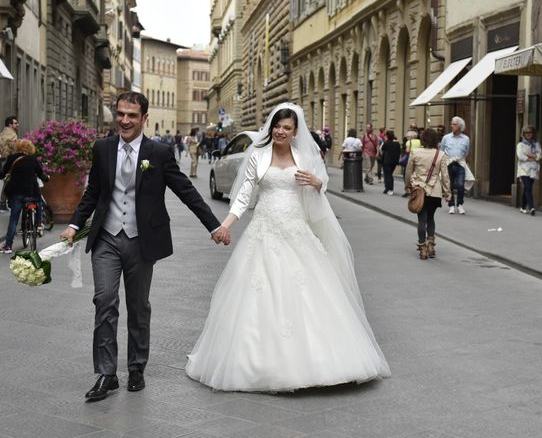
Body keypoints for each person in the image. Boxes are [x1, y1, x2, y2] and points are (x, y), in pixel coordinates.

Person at [186, 103, 390, 392]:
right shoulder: (259, 155)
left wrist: (318, 184)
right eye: (277, 126)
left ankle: (322, 363)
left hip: (296, 230)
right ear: (271, 128)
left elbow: (320, 190)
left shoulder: (305, 156)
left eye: (287, 127)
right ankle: (261, 363)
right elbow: (244, 196)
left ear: (295, 132)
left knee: (310, 293)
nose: (280, 131)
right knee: (257, 294)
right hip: (264, 231)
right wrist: (225, 225)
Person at [59, 91, 228, 402]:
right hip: (106, 238)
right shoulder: (103, 148)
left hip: (141, 240)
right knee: (104, 300)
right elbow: (94, 191)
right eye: (121, 114)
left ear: (144, 119)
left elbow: (186, 190)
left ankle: (136, 366)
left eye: (132, 115)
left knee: (138, 306)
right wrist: (73, 224)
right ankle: (107, 374)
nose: (124, 120)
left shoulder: (159, 153)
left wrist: (214, 225)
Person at [405, 129, 451, 260]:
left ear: (423, 139)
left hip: (420, 190)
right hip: (435, 192)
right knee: (431, 218)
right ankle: (431, 245)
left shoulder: (415, 152)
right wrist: (447, 192)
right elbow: (445, 176)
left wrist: (407, 186)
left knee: (421, 220)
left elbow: (408, 171)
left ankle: (423, 248)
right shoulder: (440, 154)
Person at [0, 139, 49, 253]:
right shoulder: (33, 160)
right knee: (38, 202)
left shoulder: (12, 158)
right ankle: (39, 224)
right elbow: (41, 174)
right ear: (30, 148)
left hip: (16, 192)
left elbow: (2, 174)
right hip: (31, 192)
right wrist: (47, 178)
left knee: (13, 219)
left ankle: (8, 246)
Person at [440, 116, 470, 215]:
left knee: (461, 185)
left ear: (460, 126)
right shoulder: (446, 138)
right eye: (452, 124)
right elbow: (441, 151)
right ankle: (451, 205)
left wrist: (461, 159)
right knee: (449, 186)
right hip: (448, 164)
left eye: (454, 124)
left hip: (460, 164)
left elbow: (466, 152)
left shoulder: (466, 139)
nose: (452, 126)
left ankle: (460, 204)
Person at [516, 125, 542, 215]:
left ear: (533, 133)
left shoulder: (536, 144)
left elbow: (539, 156)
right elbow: (520, 156)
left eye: (530, 132)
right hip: (523, 169)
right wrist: (531, 157)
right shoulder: (520, 145)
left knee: (527, 188)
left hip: (533, 169)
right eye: (526, 132)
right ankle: (531, 207)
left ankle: (523, 207)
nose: (528, 134)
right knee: (528, 187)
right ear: (523, 134)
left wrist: (530, 155)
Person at [0, 116, 19, 212]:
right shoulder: (12, 135)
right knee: (9, 180)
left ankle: (4, 203)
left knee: (7, 180)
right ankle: (3, 203)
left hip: (3, 159)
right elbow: (14, 148)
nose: (17, 125)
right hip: (10, 160)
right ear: (10, 124)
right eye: (15, 123)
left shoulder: (2, 133)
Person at [380, 130, 401, 195]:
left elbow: (382, 148)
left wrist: (385, 141)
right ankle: (387, 188)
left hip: (387, 161)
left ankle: (390, 189)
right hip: (394, 161)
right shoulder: (397, 143)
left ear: (387, 136)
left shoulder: (386, 143)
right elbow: (399, 152)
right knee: (389, 174)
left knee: (388, 175)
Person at [401, 131, 422, 196]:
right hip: (419, 160)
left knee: (407, 175)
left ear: (411, 137)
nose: (407, 138)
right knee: (416, 176)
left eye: (407, 136)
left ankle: (408, 190)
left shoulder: (408, 142)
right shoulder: (420, 141)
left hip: (410, 160)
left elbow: (407, 151)